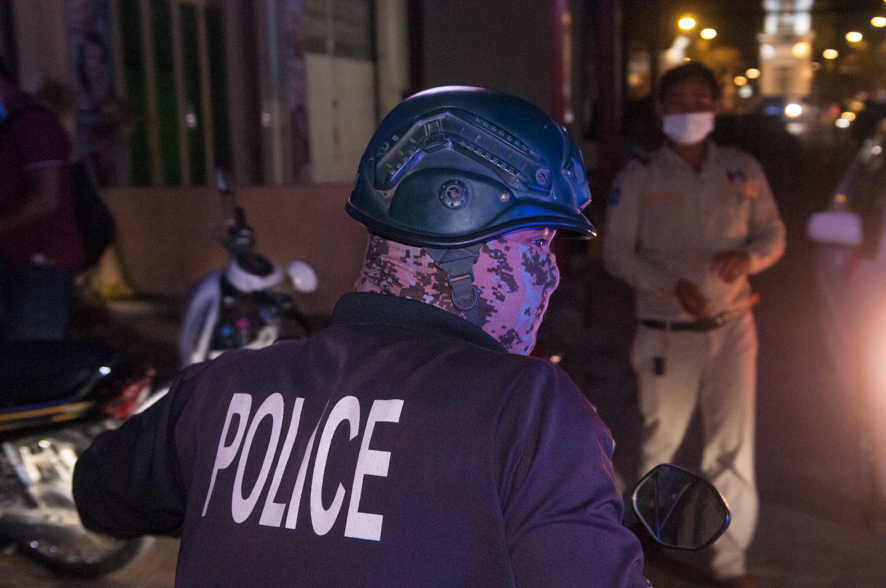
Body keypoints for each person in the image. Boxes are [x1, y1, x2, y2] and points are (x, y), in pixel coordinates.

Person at [73, 87, 650, 586]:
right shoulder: (530, 411)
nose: (550, 277)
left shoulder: (220, 388)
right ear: (466, 247)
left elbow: (97, 490)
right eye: (539, 249)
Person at [603, 62, 786, 588]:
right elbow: (616, 254)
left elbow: (773, 233)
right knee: (662, 445)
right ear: (661, 110)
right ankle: (644, 554)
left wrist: (748, 258)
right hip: (667, 333)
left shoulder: (743, 169)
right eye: (678, 100)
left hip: (733, 329)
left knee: (732, 447)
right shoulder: (641, 175)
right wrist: (668, 285)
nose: (690, 110)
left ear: (717, 105)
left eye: (700, 99)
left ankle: (731, 566)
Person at [0, 58, 84, 339]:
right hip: (25, 265)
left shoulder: (34, 126)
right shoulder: (14, 127)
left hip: (43, 268)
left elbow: (46, 199)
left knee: (33, 361)